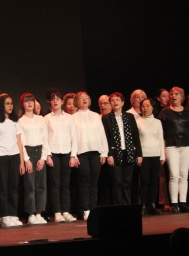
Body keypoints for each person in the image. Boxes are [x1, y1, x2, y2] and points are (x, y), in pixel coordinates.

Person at [0, 94, 25, 227]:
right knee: (3, 189)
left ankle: (13, 215)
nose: (10, 106)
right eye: (7, 103)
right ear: (1, 105)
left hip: (14, 156)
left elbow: (19, 142)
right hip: (1, 156)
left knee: (14, 188)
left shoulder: (15, 121)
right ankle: (4, 216)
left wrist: (21, 162)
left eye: (11, 103)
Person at [158, 87, 189, 213]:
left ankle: (183, 202)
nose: (173, 96)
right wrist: (163, 150)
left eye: (176, 94)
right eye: (171, 94)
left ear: (182, 97)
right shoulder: (165, 112)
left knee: (184, 176)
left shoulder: (188, 113)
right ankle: (174, 203)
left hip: (186, 146)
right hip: (171, 146)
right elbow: (161, 134)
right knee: (174, 176)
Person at [101, 92, 142, 206]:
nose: (115, 102)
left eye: (117, 100)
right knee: (117, 182)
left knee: (127, 182)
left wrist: (139, 154)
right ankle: (119, 206)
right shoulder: (106, 118)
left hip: (129, 152)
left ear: (123, 102)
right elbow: (105, 138)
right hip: (115, 153)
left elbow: (135, 136)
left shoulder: (129, 117)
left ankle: (127, 205)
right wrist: (109, 154)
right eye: (113, 100)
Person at [44, 88, 78, 223]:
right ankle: (57, 212)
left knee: (65, 184)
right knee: (55, 184)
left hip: (66, 153)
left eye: (58, 99)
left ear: (62, 101)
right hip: (53, 154)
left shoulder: (69, 118)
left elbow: (74, 137)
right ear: (49, 102)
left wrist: (73, 155)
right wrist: (47, 155)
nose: (55, 101)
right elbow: (44, 138)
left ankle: (66, 211)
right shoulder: (46, 119)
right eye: (53, 99)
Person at [73, 91, 108, 220]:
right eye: (81, 98)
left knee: (94, 182)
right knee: (84, 182)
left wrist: (104, 152)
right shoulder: (74, 117)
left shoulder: (95, 116)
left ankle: (93, 209)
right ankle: (85, 209)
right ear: (77, 101)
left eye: (86, 97)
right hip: (81, 152)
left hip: (95, 152)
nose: (84, 100)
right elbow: (73, 137)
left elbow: (102, 134)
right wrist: (74, 155)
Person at [19, 93, 49, 224]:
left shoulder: (41, 119)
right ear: (22, 104)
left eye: (31, 100)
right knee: (30, 185)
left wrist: (43, 157)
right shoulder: (20, 121)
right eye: (26, 101)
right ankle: (31, 213)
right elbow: (21, 141)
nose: (30, 103)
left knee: (41, 185)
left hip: (40, 151)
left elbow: (45, 139)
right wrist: (26, 159)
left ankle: (39, 213)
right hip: (28, 151)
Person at [136, 98, 164, 215]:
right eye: (143, 106)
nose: (145, 108)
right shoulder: (137, 121)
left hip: (155, 154)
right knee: (144, 181)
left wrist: (162, 156)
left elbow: (160, 139)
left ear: (153, 107)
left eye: (147, 106)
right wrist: (138, 155)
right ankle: (143, 205)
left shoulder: (157, 122)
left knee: (154, 181)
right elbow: (136, 141)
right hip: (144, 155)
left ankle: (152, 205)